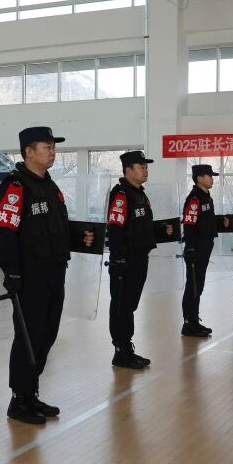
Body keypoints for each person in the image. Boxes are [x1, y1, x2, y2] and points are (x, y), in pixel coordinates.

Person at [0, 126, 92, 425]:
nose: (53, 152)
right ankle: (18, 400)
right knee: (28, 336)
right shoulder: (16, 186)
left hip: (54, 269)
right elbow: (5, 230)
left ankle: (31, 393)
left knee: (47, 334)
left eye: (53, 147)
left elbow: (57, 227)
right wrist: (11, 272)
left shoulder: (50, 186)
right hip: (30, 274)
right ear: (28, 152)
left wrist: (81, 237)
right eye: (47, 147)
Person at [106, 150, 156, 369]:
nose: (146, 170)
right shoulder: (121, 195)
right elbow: (115, 228)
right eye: (141, 167)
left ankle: (127, 347)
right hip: (125, 260)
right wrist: (118, 259)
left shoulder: (140, 195)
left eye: (146, 167)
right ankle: (121, 351)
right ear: (128, 170)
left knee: (130, 305)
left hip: (139, 257)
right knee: (121, 306)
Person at [181, 164, 219, 338]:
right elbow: (189, 224)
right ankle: (188, 323)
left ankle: (194, 320)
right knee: (193, 286)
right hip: (196, 248)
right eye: (209, 176)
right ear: (199, 178)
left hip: (205, 246)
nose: (212, 179)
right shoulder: (195, 198)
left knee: (199, 284)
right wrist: (190, 248)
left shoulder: (206, 197)